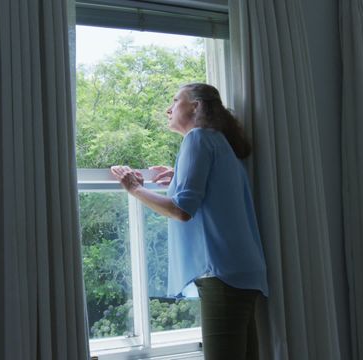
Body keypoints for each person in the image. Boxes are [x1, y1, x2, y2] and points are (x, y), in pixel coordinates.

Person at [110, 83, 268, 360]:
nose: (168, 109)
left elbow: (182, 210)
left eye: (175, 100)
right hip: (242, 270)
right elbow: (214, 192)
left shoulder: (197, 139)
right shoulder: (220, 142)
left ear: (195, 106)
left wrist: (134, 188)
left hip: (222, 273)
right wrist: (179, 176)